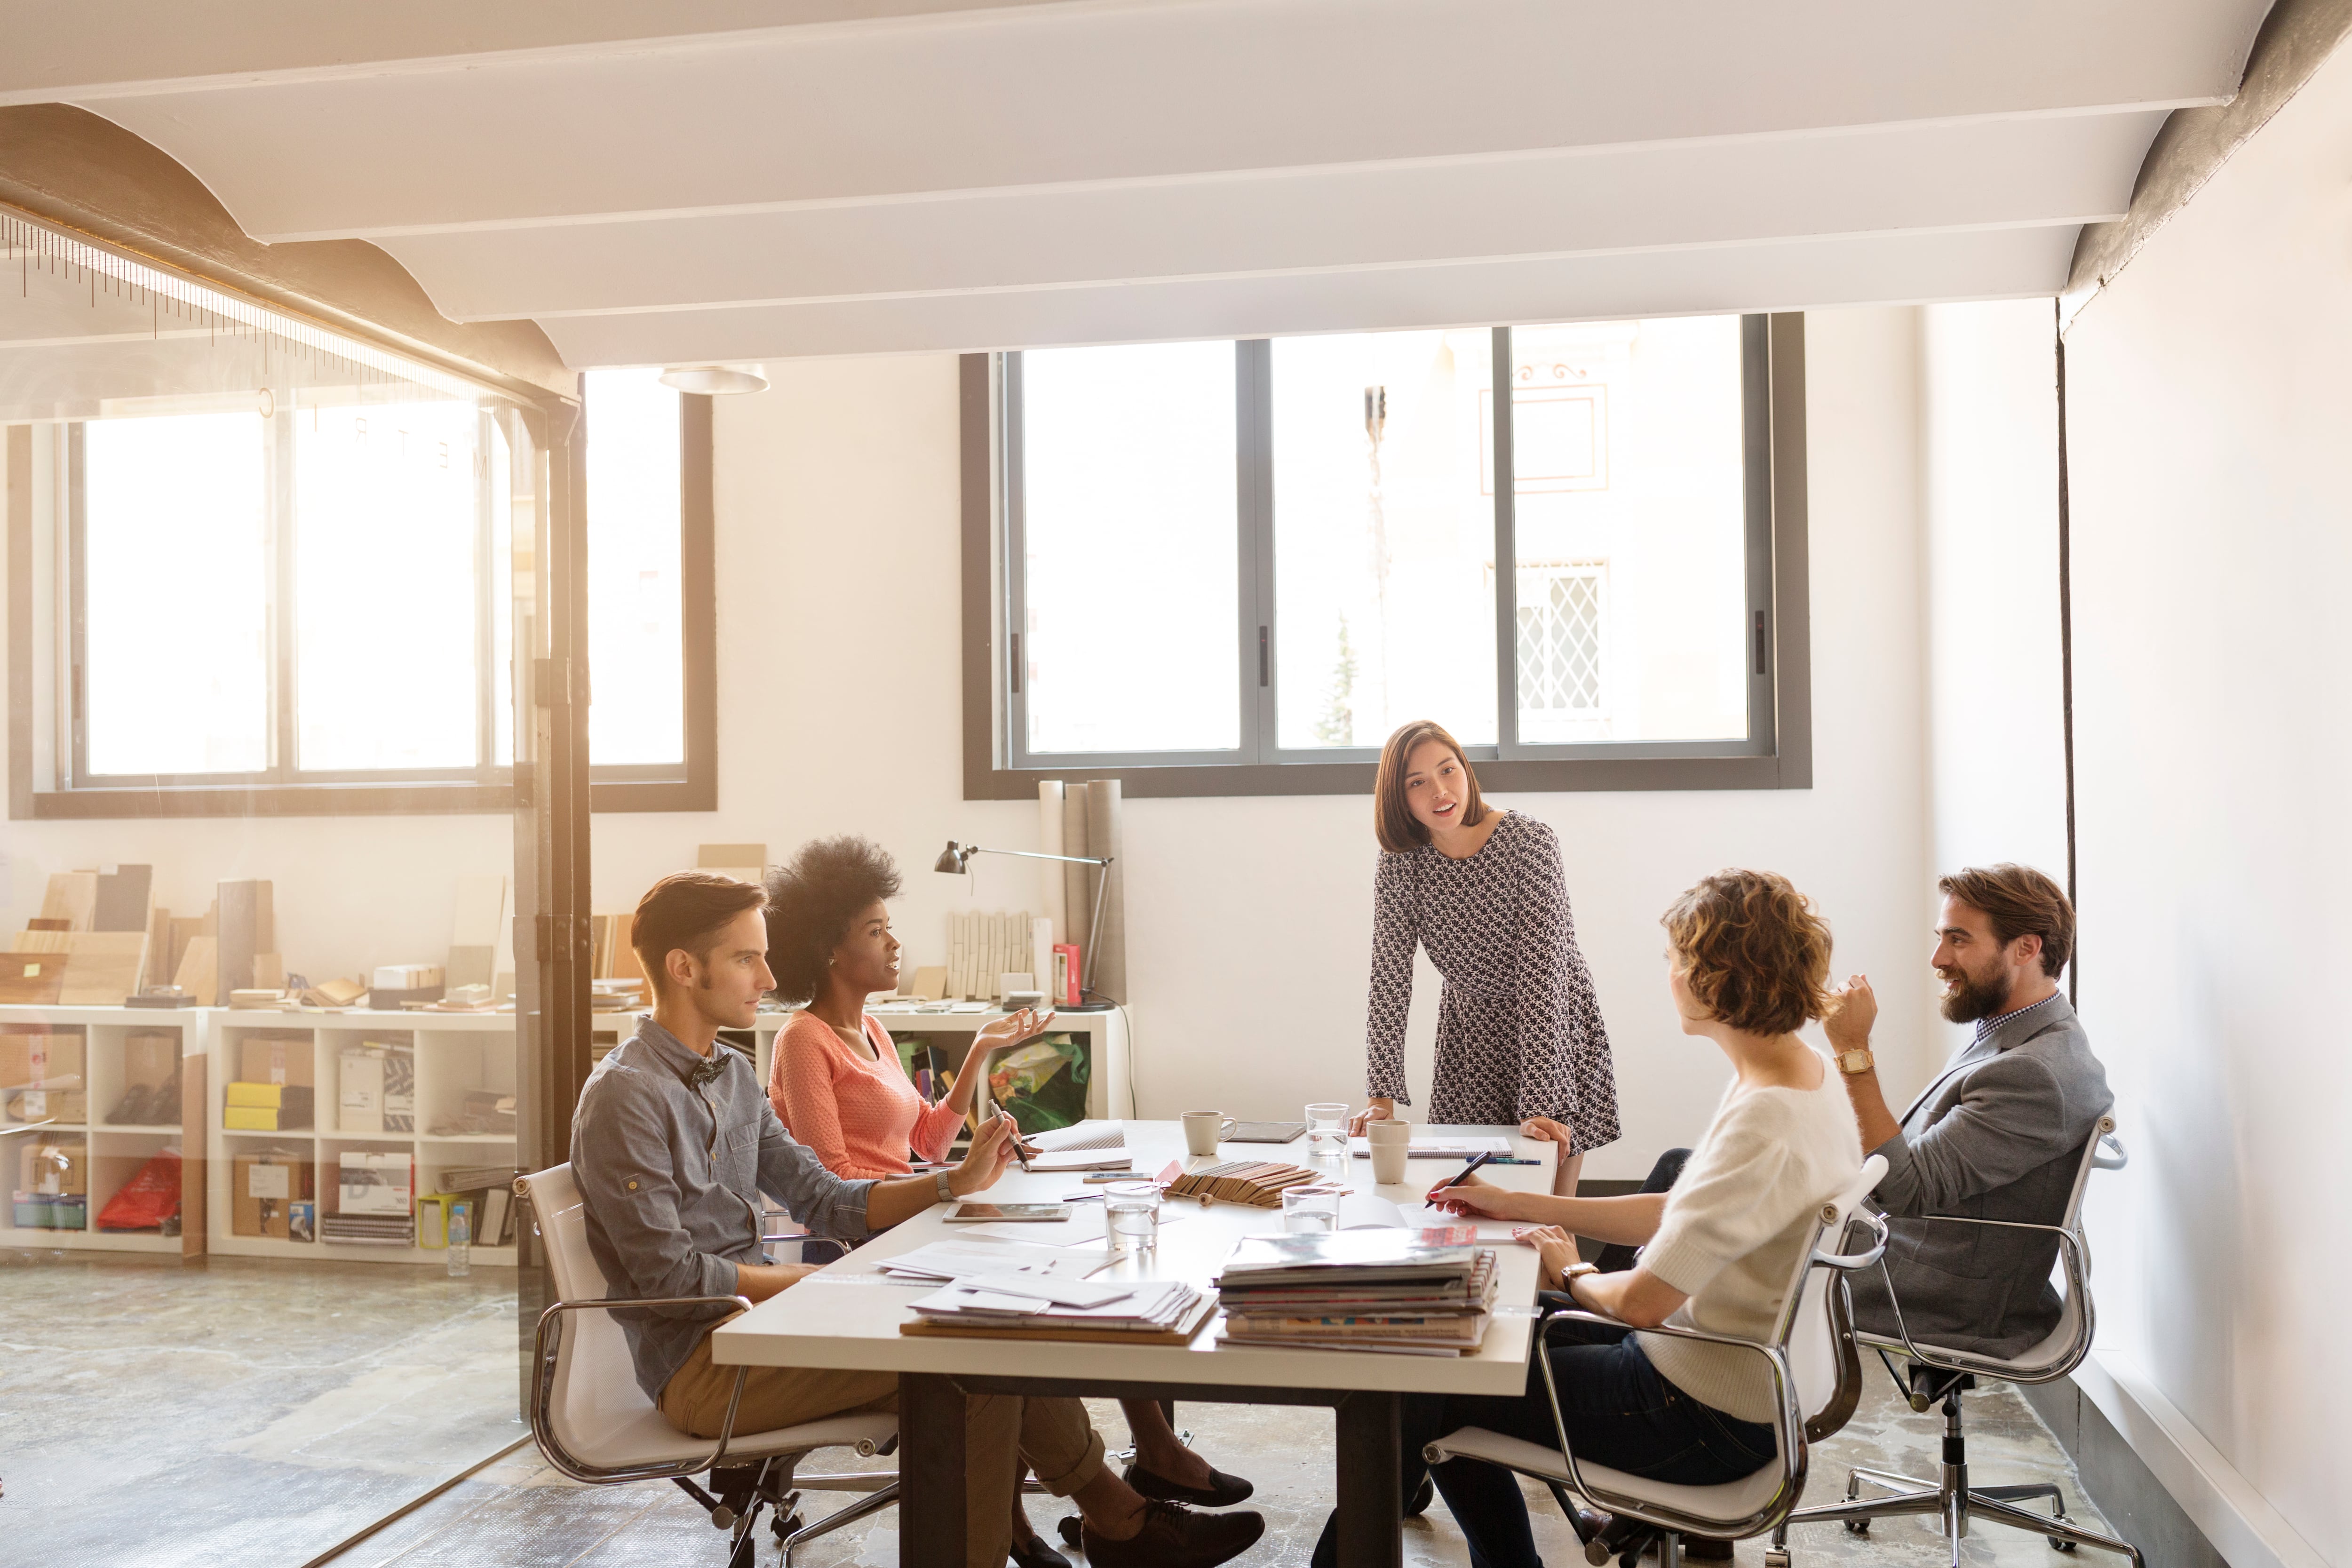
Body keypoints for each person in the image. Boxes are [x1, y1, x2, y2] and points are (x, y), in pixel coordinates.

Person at [573, 871, 1264, 1568]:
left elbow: (825, 1195)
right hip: (704, 1365)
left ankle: (1115, 1520)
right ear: (684, 968)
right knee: (970, 1358)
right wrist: (819, 1284)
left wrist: (951, 1182)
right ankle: (1109, 1522)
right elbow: (673, 1276)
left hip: (761, 1327)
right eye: (747, 957)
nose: (770, 974)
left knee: (992, 1327)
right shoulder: (626, 1096)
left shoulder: (729, 1073)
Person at [1313, 869, 1864, 1568]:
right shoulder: (1799, 1072)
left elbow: (1639, 1300)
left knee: (1428, 1376)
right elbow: (1682, 1210)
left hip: (1694, 1414)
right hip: (1731, 1386)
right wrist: (1520, 1203)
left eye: (1675, 959)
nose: (1668, 974)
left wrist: (1570, 1269)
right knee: (1466, 1331)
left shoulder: (1766, 1116)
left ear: (1716, 976)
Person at [763, 838, 1255, 1568]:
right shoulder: (804, 1041)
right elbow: (837, 1182)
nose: (895, 942)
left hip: (918, 1219)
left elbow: (928, 1141)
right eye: (875, 931)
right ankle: (1109, 1511)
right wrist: (948, 1186)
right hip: (865, 1247)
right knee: (1021, 1310)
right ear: (829, 950)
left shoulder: (869, 1028)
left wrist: (978, 1059)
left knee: (1074, 1266)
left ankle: (1108, 1494)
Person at [1820, 863, 2114, 1355]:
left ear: (2025, 948)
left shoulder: (2034, 1072)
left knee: (1705, 1220)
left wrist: (1853, 1052)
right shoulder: (2015, 1034)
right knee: (1693, 1176)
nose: (1937, 958)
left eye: (1958, 940)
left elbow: (1903, 1191)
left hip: (1933, 1291)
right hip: (1910, 1248)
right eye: (1940, 937)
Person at [1352, 718, 1620, 1194]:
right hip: (1468, 1038)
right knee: (1467, 1202)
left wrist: (1540, 1100)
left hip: (1551, 1032)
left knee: (1552, 1213)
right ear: (1398, 797)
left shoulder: (1530, 843)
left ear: (1465, 770)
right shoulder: (1399, 864)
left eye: (1447, 770)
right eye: (1416, 782)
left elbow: (1544, 976)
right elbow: (1389, 980)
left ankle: (1574, 1272)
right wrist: (1380, 1098)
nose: (1438, 791)